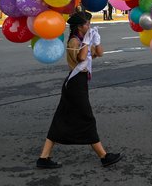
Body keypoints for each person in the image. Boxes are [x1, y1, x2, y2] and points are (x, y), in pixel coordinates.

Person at [36, 11, 121, 169]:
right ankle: (103, 156)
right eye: (86, 24)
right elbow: (81, 58)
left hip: (80, 83)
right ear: (79, 27)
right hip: (75, 84)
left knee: (60, 119)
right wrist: (87, 42)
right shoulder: (74, 41)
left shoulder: (83, 40)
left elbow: (100, 54)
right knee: (87, 117)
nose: (89, 26)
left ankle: (44, 157)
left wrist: (96, 41)